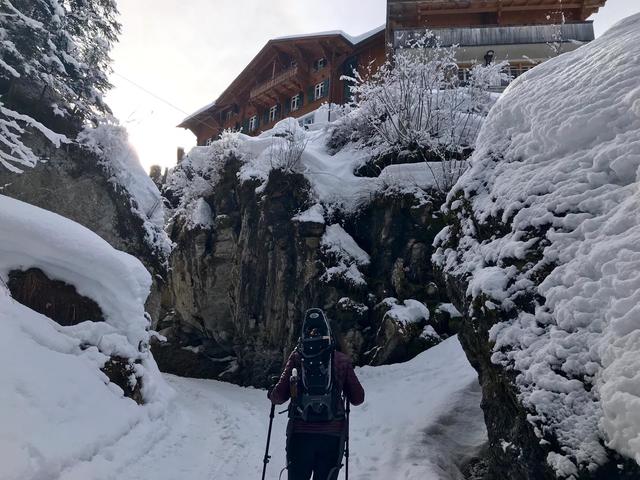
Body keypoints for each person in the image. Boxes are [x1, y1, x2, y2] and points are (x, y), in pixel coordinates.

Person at [268, 308, 365, 480]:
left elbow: (279, 397)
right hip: (332, 436)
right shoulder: (341, 359)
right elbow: (358, 398)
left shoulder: (298, 356)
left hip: (300, 435)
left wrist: (271, 392)